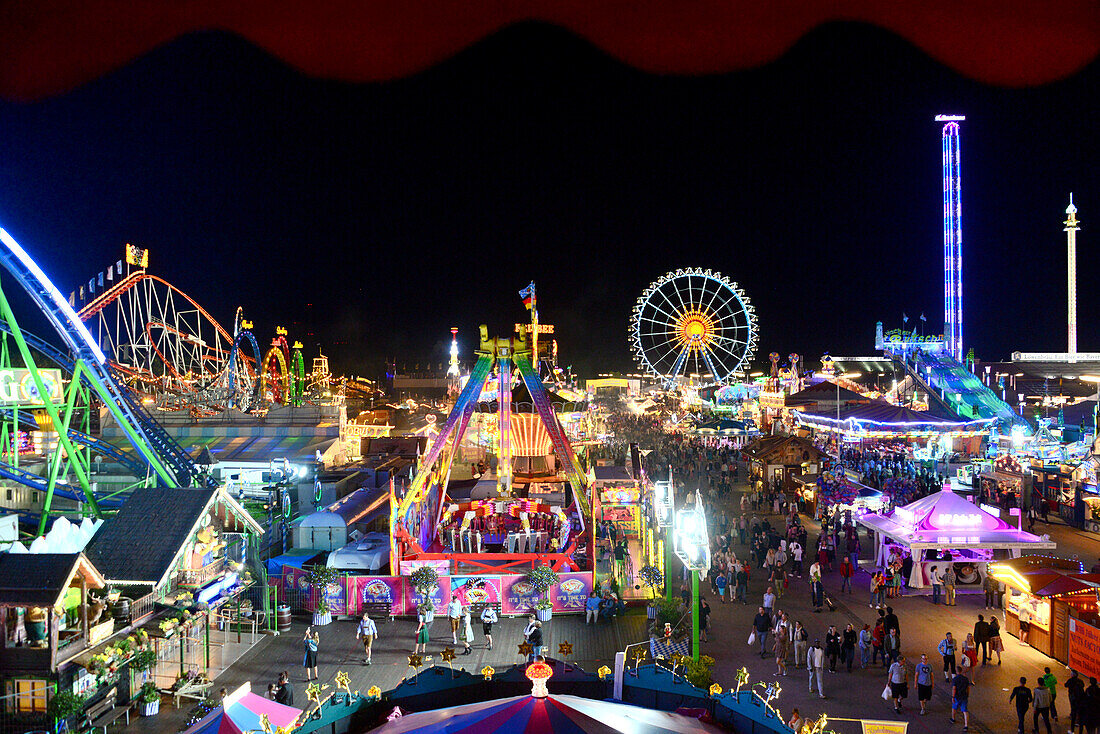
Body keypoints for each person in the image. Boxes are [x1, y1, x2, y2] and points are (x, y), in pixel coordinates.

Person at [951, 667, 971, 731]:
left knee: (954, 708)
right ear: (961, 671)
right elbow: (968, 688)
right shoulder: (965, 679)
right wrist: (967, 694)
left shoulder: (955, 679)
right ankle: (966, 725)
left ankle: (953, 719)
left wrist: (953, 697)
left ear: (956, 671)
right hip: (964, 696)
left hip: (957, 696)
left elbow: (954, 688)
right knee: (965, 711)